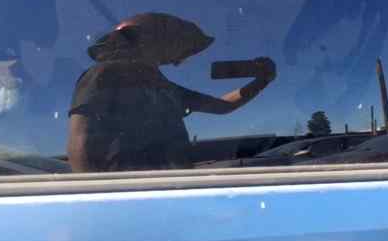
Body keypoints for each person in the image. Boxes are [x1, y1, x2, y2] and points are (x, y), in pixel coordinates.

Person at [67, 12, 275, 173]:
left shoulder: (164, 87)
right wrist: (98, 198)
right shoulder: (104, 74)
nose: (177, 60)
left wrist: (262, 81)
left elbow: (222, 106)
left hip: (173, 185)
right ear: (148, 40)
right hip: (134, 193)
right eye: (174, 47)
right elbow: (81, 142)